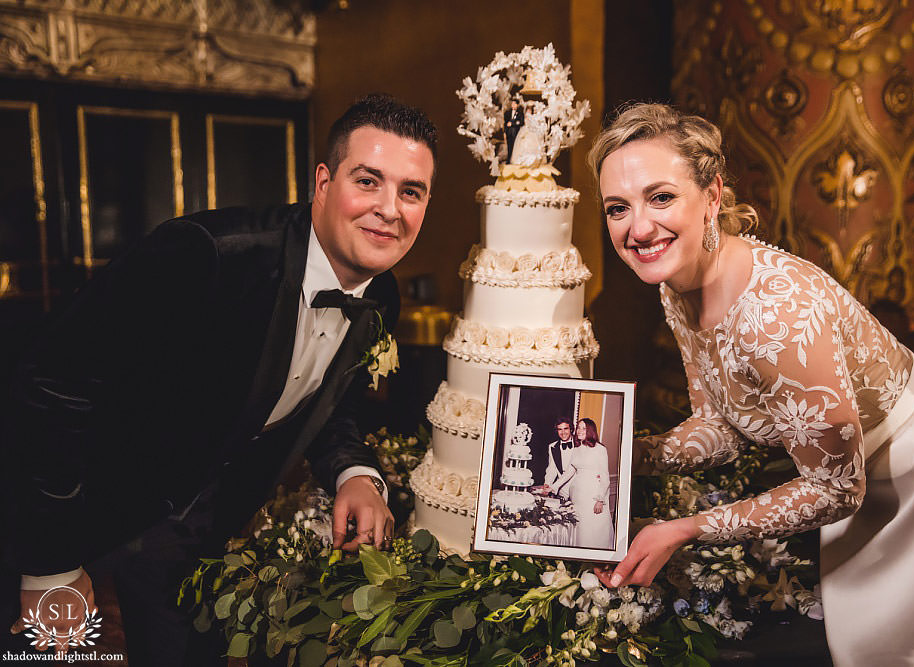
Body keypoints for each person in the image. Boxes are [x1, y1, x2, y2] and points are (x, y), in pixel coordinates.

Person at [1, 93, 438, 664]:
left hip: (193, 541)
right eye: (368, 181)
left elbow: (335, 405)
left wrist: (355, 474)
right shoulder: (205, 256)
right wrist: (49, 563)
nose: (389, 209)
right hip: (76, 511)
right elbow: (51, 386)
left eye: (411, 191)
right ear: (323, 184)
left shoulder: (382, 295)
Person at [587, 102, 914, 666]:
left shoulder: (774, 319)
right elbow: (720, 425)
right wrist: (628, 457)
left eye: (661, 197)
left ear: (711, 197)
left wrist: (685, 528)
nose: (638, 228)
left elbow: (836, 489)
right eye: (618, 208)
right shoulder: (674, 284)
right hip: (855, 479)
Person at [552, 418, 614, 550]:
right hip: (577, 494)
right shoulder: (577, 448)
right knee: (580, 528)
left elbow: (605, 477)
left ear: (590, 431)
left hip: (592, 495)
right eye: (579, 427)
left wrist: (600, 500)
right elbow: (569, 471)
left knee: (593, 529)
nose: (579, 431)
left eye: (583, 428)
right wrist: (554, 486)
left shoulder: (600, 449)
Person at [538, 417, 576, 499]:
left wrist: (553, 486)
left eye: (566, 429)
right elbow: (552, 468)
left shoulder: (579, 445)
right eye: (560, 429)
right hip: (562, 488)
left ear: (571, 429)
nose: (563, 432)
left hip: (577, 487)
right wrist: (547, 483)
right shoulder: (552, 446)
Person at [503, 99, 524, 164]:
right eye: (512, 104)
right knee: (509, 146)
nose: (513, 105)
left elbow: (521, 122)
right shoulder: (508, 112)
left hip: (516, 133)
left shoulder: (520, 113)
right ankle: (508, 159)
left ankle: (514, 159)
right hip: (508, 132)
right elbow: (505, 122)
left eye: (514, 104)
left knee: (515, 146)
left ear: (517, 105)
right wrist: (505, 131)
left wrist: (513, 124)